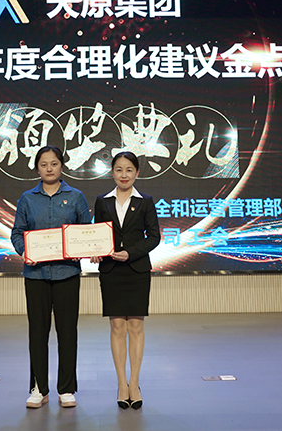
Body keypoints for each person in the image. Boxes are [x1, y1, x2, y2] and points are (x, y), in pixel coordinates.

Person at [11, 145, 91, 409]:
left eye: (54, 163)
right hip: (36, 275)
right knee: (37, 333)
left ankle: (66, 389)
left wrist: (86, 248)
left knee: (67, 333)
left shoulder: (76, 196)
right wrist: (25, 251)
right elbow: (17, 232)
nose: (49, 168)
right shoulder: (27, 199)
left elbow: (86, 232)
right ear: (37, 168)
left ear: (61, 166)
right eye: (44, 164)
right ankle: (39, 388)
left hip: (67, 273)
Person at [92, 151, 160, 410]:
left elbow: (154, 236)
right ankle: (122, 384)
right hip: (111, 271)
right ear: (112, 172)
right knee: (117, 327)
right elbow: (98, 234)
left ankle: (135, 384)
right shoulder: (102, 201)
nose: (124, 175)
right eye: (119, 169)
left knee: (136, 328)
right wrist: (96, 250)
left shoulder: (145, 201)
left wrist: (131, 253)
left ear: (137, 173)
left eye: (129, 170)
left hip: (136, 270)